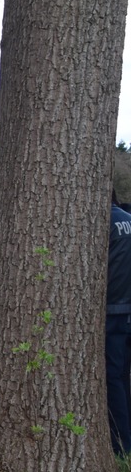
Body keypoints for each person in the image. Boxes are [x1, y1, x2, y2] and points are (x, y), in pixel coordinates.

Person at [105, 192, 131, 453]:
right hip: (127, 311)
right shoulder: (128, 220)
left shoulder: (104, 225)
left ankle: (121, 445)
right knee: (123, 377)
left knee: (112, 378)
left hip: (112, 311)